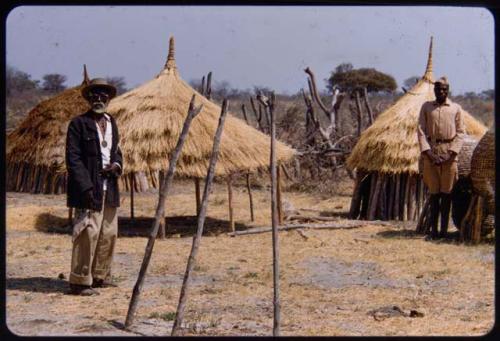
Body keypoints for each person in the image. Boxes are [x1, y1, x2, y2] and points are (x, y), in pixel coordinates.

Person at [66, 78, 123, 295]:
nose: (99, 99)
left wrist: (117, 165)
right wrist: (86, 187)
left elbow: (117, 150)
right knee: (87, 233)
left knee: (109, 233)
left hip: (110, 187)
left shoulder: (112, 122)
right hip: (90, 188)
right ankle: (79, 282)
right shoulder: (78, 124)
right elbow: (73, 158)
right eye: (95, 96)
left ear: (108, 98)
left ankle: (100, 276)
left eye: (103, 96)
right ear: (89, 99)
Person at [417, 76, 465, 240]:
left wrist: (450, 154)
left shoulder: (455, 108)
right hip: (431, 152)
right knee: (434, 194)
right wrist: (428, 153)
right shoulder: (426, 107)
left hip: (449, 154)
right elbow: (421, 131)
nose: (441, 91)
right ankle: (433, 231)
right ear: (434, 90)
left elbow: (460, 133)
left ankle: (444, 232)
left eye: (444, 89)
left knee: (447, 195)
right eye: (438, 89)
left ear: (448, 90)